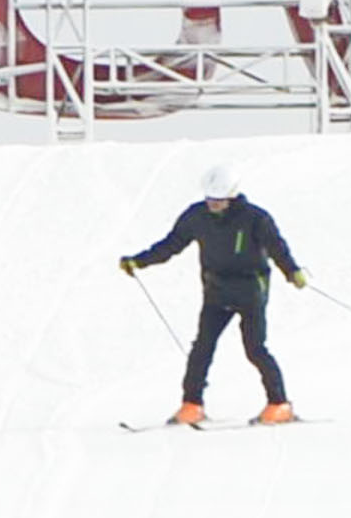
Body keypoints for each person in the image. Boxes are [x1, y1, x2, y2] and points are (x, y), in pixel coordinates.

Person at [122, 174, 306, 425]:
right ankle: (191, 405)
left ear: (232, 197)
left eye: (219, 200)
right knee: (202, 348)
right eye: (209, 199)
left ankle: (279, 405)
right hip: (216, 290)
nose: (213, 205)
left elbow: (276, 247)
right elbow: (171, 245)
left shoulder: (255, 218)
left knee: (255, 348)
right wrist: (139, 261)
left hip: (250, 289)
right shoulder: (197, 216)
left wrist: (292, 271)